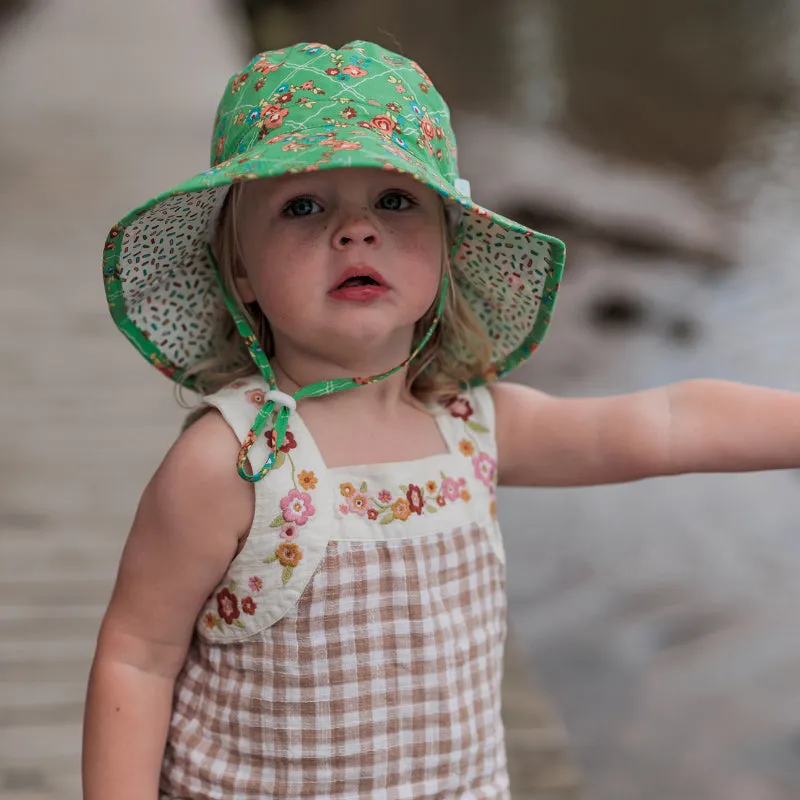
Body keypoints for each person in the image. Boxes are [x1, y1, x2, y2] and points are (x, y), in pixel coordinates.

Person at [82, 40, 800, 800]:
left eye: (395, 201)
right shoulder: (233, 462)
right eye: (302, 206)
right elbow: (138, 655)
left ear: (447, 246)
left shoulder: (470, 425)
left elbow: (665, 421)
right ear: (240, 273)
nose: (355, 231)